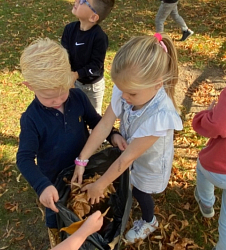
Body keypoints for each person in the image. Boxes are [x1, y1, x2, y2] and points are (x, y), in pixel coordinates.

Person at [71, 33, 183, 243]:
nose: (124, 97)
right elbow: (105, 124)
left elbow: (126, 159)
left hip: (149, 162)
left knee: (142, 191)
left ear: (157, 84)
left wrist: (100, 185)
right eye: (121, 90)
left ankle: (149, 220)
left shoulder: (161, 116)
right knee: (129, 181)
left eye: (131, 94)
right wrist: (82, 159)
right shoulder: (128, 87)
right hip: (131, 154)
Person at [16, 37, 126, 248]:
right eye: (50, 98)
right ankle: (58, 236)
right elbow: (24, 158)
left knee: (86, 206)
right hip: (54, 180)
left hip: (84, 169)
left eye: (62, 93)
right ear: (29, 86)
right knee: (57, 213)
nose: (58, 100)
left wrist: (112, 134)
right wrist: (42, 186)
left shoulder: (77, 98)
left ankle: (86, 234)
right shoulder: (31, 119)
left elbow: (96, 121)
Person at [61, 0, 115, 115]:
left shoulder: (99, 37)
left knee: (93, 115)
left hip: (93, 87)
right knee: (75, 112)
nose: (77, 1)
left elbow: (95, 65)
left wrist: (76, 74)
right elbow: (64, 55)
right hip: (74, 82)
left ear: (93, 17)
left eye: (83, 1)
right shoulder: (69, 29)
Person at [192, 89, 226, 250]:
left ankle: (206, 202)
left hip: (219, 167)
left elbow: (217, 126)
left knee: (202, 165)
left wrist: (205, 115)